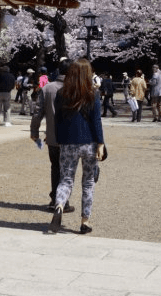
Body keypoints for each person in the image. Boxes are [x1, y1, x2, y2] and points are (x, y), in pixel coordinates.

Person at [49, 58, 105, 234]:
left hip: (67, 143)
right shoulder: (92, 93)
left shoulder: (62, 93)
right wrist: (101, 143)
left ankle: (59, 205)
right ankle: (84, 221)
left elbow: (57, 120)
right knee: (88, 181)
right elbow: (96, 121)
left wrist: (59, 139)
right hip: (88, 142)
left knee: (65, 179)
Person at [29, 60, 75, 214]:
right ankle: (63, 201)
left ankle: (55, 198)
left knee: (55, 167)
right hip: (71, 138)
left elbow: (38, 112)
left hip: (52, 136)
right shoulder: (75, 88)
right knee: (67, 170)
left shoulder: (47, 88)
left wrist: (34, 131)